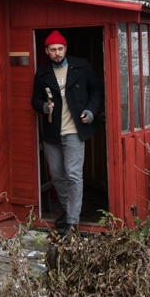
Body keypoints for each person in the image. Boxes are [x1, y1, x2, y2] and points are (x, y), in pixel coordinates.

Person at [30, 30, 104, 234]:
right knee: (56, 175)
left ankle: (72, 220)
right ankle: (68, 208)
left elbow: (96, 89)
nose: (57, 53)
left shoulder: (81, 66)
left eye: (60, 49)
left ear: (65, 48)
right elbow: (35, 99)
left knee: (73, 175)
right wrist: (44, 107)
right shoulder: (43, 73)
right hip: (53, 131)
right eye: (53, 50)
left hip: (75, 130)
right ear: (46, 51)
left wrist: (90, 110)